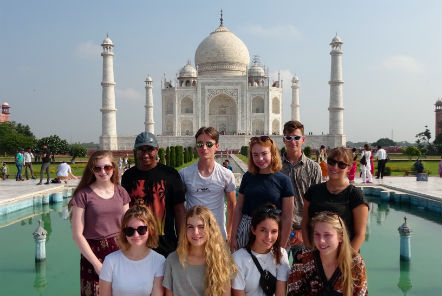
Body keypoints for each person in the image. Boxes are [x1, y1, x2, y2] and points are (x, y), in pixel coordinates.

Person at [70, 150, 130, 296]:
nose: (103, 172)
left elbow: (127, 226)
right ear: (92, 170)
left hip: (119, 251)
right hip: (93, 255)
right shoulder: (83, 195)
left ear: (113, 168)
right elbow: (77, 235)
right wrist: (97, 264)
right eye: (97, 168)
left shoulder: (121, 192)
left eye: (107, 167)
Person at [122, 131, 186, 257]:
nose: (145, 154)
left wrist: (182, 241)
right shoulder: (128, 176)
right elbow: (125, 211)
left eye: (149, 149)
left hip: (166, 245)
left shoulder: (170, 175)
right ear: (136, 151)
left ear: (157, 150)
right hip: (138, 243)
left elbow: (179, 210)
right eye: (141, 150)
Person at [230, 136, 294, 252]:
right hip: (247, 230)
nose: (260, 158)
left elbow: (287, 216)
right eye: (255, 155)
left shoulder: (283, 180)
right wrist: (234, 236)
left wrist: (282, 246)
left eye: (264, 154)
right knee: (245, 267)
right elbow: (239, 208)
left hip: (271, 233)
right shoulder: (248, 177)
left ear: (272, 154)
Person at [302, 147, 369, 252]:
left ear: (349, 168)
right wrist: (310, 252)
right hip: (316, 254)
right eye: (331, 162)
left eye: (341, 164)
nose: (335, 167)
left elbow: (360, 234)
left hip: (344, 258)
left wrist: (343, 260)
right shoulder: (313, 191)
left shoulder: (355, 195)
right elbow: (305, 224)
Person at [163, 205, 237, 296]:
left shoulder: (222, 261)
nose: (196, 232)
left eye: (201, 226)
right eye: (190, 227)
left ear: (211, 229)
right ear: (184, 229)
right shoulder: (172, 260)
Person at [288, 211, 368, 295]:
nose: (321, 241)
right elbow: (293, 292)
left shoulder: (355, 263)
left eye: (327, 235)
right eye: (317, 234)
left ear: (340, 237)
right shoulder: (302, 258)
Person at [179, 127, 236, 240]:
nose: (204, 148)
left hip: (217, 234)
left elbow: (232, 205)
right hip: (193, 235)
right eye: (200, 144)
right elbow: (180, 207)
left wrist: (229, 234)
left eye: (209, 144)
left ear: (217, 146)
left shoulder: (226, 174)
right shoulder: (185, 174)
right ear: (196, 146)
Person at [99, 201, 165, 296]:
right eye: (130, 230)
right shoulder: (110, 261)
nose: (136, 235)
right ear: (124, 232)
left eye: (141, 229)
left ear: (150, 229)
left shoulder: (159, 261)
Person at [280, 120, 321, 260]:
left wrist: (303, 231)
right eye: (289, 138)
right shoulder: (275, 167)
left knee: (303, 278)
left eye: (297, 137)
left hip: (303, 232)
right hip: (279, 231)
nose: (293, 141)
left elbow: (317, 203)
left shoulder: (313, 168)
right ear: (283, 140)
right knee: (276, 277)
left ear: (303, 139)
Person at [232, 204, 290, 296]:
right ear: (253, 230)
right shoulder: (238, 258)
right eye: (263, 230)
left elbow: (281, 292)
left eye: (274, 231)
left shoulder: (281, 254)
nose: (269, 237)